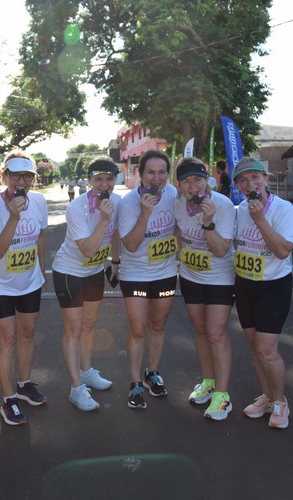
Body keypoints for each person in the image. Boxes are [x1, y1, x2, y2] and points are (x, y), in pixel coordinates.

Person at [0, 151, 48, 426]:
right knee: (8, 338)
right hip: (0, 284)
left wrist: (42, 272)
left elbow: (41, 235)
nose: (22, 181)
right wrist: (13, 217)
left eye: (28, 176)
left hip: (29, 280)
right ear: (4, 176)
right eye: (16, 175)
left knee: (28, 332)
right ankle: (8, 399)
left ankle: (24, 383)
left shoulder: (40, 201)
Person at [52, 156, 121, 411]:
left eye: (109, 179)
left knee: (89, 325)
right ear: (89, 181)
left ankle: (86, 370)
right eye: (98, 179)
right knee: (74, 329)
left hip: (94, 272)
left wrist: (116, 262)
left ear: (115, 180)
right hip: (69, 272)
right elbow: (89, 250)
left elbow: (116, 234)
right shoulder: (77, 208)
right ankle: (76, 388)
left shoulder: (117, 201)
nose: (104, 184)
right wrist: (103, 219)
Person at [232, 157, 293, 429]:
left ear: (265, 179)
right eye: (243, 180)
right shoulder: (238, 210)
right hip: (245, 284)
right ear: (238, 186)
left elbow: (283, 250)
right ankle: (268, 397)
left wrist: (260, 220)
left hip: (274, 285)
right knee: (255, 347)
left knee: (266, 349)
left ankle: (281, 402)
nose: (251, 184)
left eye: (255, 178)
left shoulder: (283, 209)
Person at [173, 157, 236, 421]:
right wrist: (180, 252)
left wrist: (207, 222)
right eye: (186, 181)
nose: (193, 186)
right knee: (199, 331)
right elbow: (177, 230)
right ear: (179, 185)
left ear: (206, 179)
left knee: (215, 333)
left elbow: (221, 250)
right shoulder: (177, 203)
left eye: (197, 179)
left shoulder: (222, 205)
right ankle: (208, 381)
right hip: (190, 276)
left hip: (220, 278)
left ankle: (223, 396)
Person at [118, 149, 178, 410]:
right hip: (135, 276)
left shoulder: (173, 194)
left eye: (162, 172)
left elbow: (179, 224)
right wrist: (144, 213)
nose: (156, 178)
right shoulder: (128, 203)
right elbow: (130, 245)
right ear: (139, 175)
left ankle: (152, 373)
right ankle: (135, 383)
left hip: (165, 274)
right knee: (139, 327)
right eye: (150, 172)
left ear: (168, 174)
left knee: (159, 325)